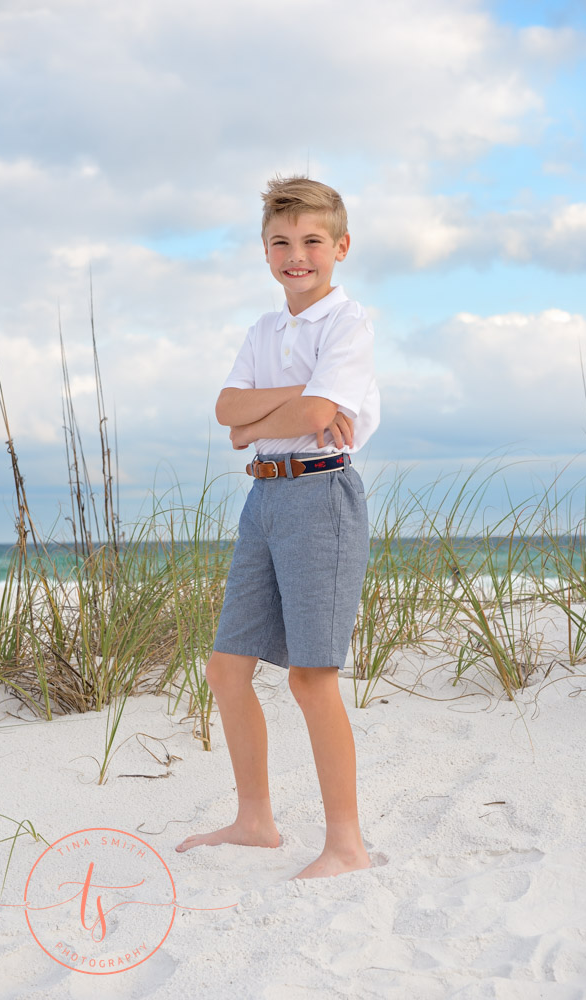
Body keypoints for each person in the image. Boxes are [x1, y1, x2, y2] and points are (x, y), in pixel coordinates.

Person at [175, 175, 381, 879]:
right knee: (226, 668)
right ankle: (255, 820)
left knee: (309, 677)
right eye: (281, 242)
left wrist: (294, 412)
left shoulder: (348, 324)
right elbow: (227, 411)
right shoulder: (263, 330)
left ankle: (346, 844)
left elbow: (316, 421)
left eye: (312, 241)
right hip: (261, 502)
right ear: (265, 253)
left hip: (320, 497)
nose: (297, 254)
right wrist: (301, 398)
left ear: (339, 247)